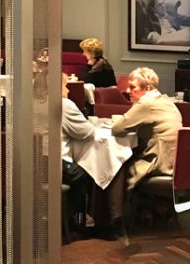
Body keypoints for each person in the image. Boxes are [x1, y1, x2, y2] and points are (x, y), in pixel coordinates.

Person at [108, 67, 182, 237]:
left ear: (147, 88)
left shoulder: (146, 103)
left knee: (116, 168)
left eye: (133, 87)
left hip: (158, 163)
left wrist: (121, 120)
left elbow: (118, 128)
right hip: (176, 163)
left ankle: (115, 219)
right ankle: (146, 211)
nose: (128, 91)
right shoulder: (165, 100)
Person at [60, 76, 94, 235]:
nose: (67, 90)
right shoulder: (63, 104)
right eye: (65, 86)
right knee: (84, 174)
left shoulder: (27, 100)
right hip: (54, 164)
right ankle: (68, 217)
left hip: (25, 163)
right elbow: (87, 132)